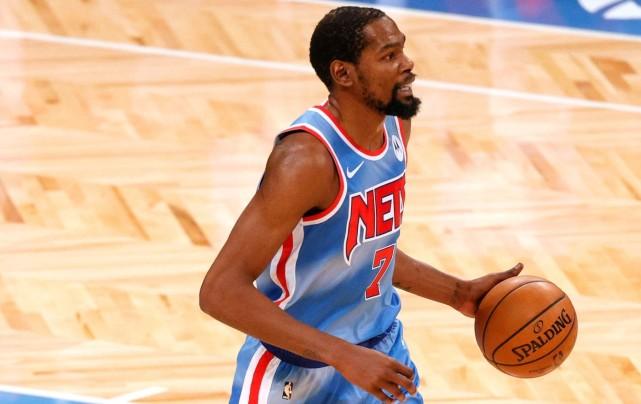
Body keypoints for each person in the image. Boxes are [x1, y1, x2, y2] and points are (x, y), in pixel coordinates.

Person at [199, 6, 523, 404]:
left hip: (379, 357)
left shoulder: (396, 126)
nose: (407, 64)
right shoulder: (306, 160)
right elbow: (219, 291)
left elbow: (363, 250)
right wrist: (342, 355)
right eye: (389, 56)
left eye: (402, 50)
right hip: (292, 374)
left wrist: (457, 293)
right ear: (343, 74)